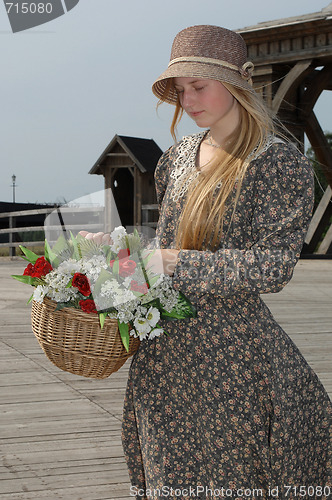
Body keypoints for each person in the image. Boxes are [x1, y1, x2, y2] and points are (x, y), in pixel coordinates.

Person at [83, 25, 332, 499]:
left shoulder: (275, 162)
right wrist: (113, 259)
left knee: (232, 479)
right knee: (168, 475)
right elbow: (165, 246)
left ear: (238, 83)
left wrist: (179, 264)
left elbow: (273, 266)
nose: (187, 100)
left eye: (198, 87)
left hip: (232, 360)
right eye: (180, 91)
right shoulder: (175, 157)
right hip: (163, 355)